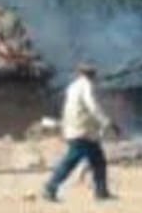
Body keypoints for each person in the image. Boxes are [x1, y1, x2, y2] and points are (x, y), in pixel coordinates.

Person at [43, 63, 117, 202]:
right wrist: (107, 122)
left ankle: (101, 192)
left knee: (98, 161)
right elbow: (93, 107)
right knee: (71, 162)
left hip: (76, 129)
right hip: (82, 131)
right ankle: (50, 187)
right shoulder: (87, 86)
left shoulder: (73, 86)